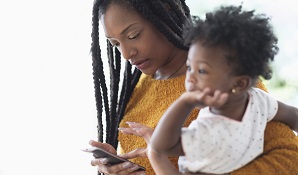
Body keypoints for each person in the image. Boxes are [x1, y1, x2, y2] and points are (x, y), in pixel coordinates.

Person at [88, 0, 298, 175]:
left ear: (163, 17)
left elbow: (290, 159)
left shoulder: (223, 82)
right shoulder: (138, 85)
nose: (125, 54)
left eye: (133, 35)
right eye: (115, 44)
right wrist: (119, 165)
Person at [148, 5, 298, 175]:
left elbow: (159, 147)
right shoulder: (259, 101)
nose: (189, 77)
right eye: (190, 67)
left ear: (240, 84)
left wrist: (184, 102)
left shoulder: (208, 131)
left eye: (202, 70)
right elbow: (293, 117)